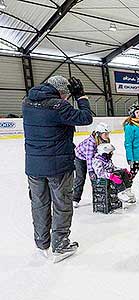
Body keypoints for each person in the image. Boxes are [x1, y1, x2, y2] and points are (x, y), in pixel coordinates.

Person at [22, 75, 93, 263]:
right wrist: (81, 97)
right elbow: (86, 118)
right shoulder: (58, 106)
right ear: (62, 93)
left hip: (34, 166)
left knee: (39, 204)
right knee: (62, 204)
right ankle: (60, 244)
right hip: (58, 167)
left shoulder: (27, 103)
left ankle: (42, 242)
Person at [73, 122, 110, 208]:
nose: (107, 135)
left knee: (97, 177)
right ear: (99, 133)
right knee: (80, 178)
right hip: (80, 158)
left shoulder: (105, 140)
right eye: (105, 133)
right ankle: (75, 199)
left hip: (93, 158)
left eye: (108, 133)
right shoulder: (91, 142)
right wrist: (90, 171)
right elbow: (88, 158)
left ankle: (98, 197)